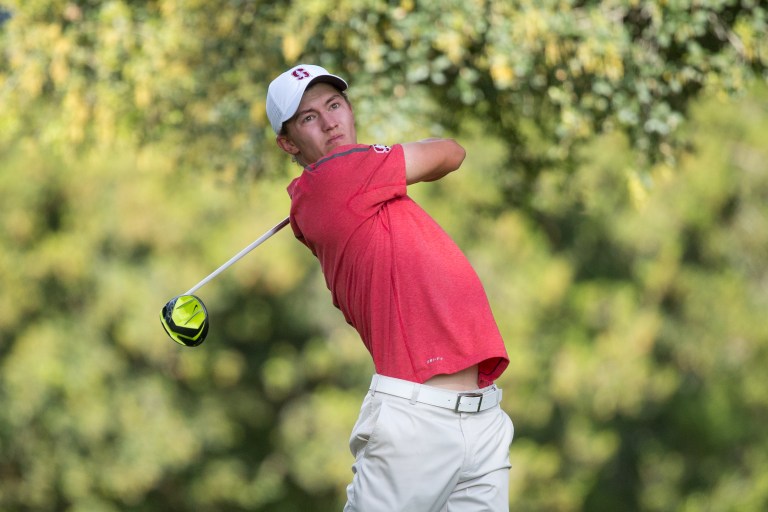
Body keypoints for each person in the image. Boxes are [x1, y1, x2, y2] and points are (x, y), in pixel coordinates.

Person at [266, 64, 514, 512]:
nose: (329, 122)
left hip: (481, 416)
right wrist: (370, 155)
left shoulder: (350, 182)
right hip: (417, 421)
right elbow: (451, 152)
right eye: (308, 118)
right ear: (288, 144)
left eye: (334, 105)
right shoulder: (338, 178)